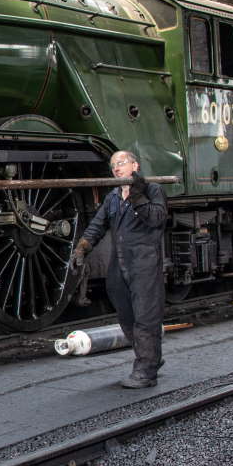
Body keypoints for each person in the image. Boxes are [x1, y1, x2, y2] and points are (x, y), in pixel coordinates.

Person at [72, 150, 169, 389]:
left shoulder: (152, 190)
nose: (116, 168)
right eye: (113, 165)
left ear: (135, 165)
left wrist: (136, 196)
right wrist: (82, 247)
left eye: (122, 163)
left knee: (146, 317)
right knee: (126, 316)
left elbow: (157, 218)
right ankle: (151, 357)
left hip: (144, 263)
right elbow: (98, 224)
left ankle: (146, 372)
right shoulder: (113, 197)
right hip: (119, 263)